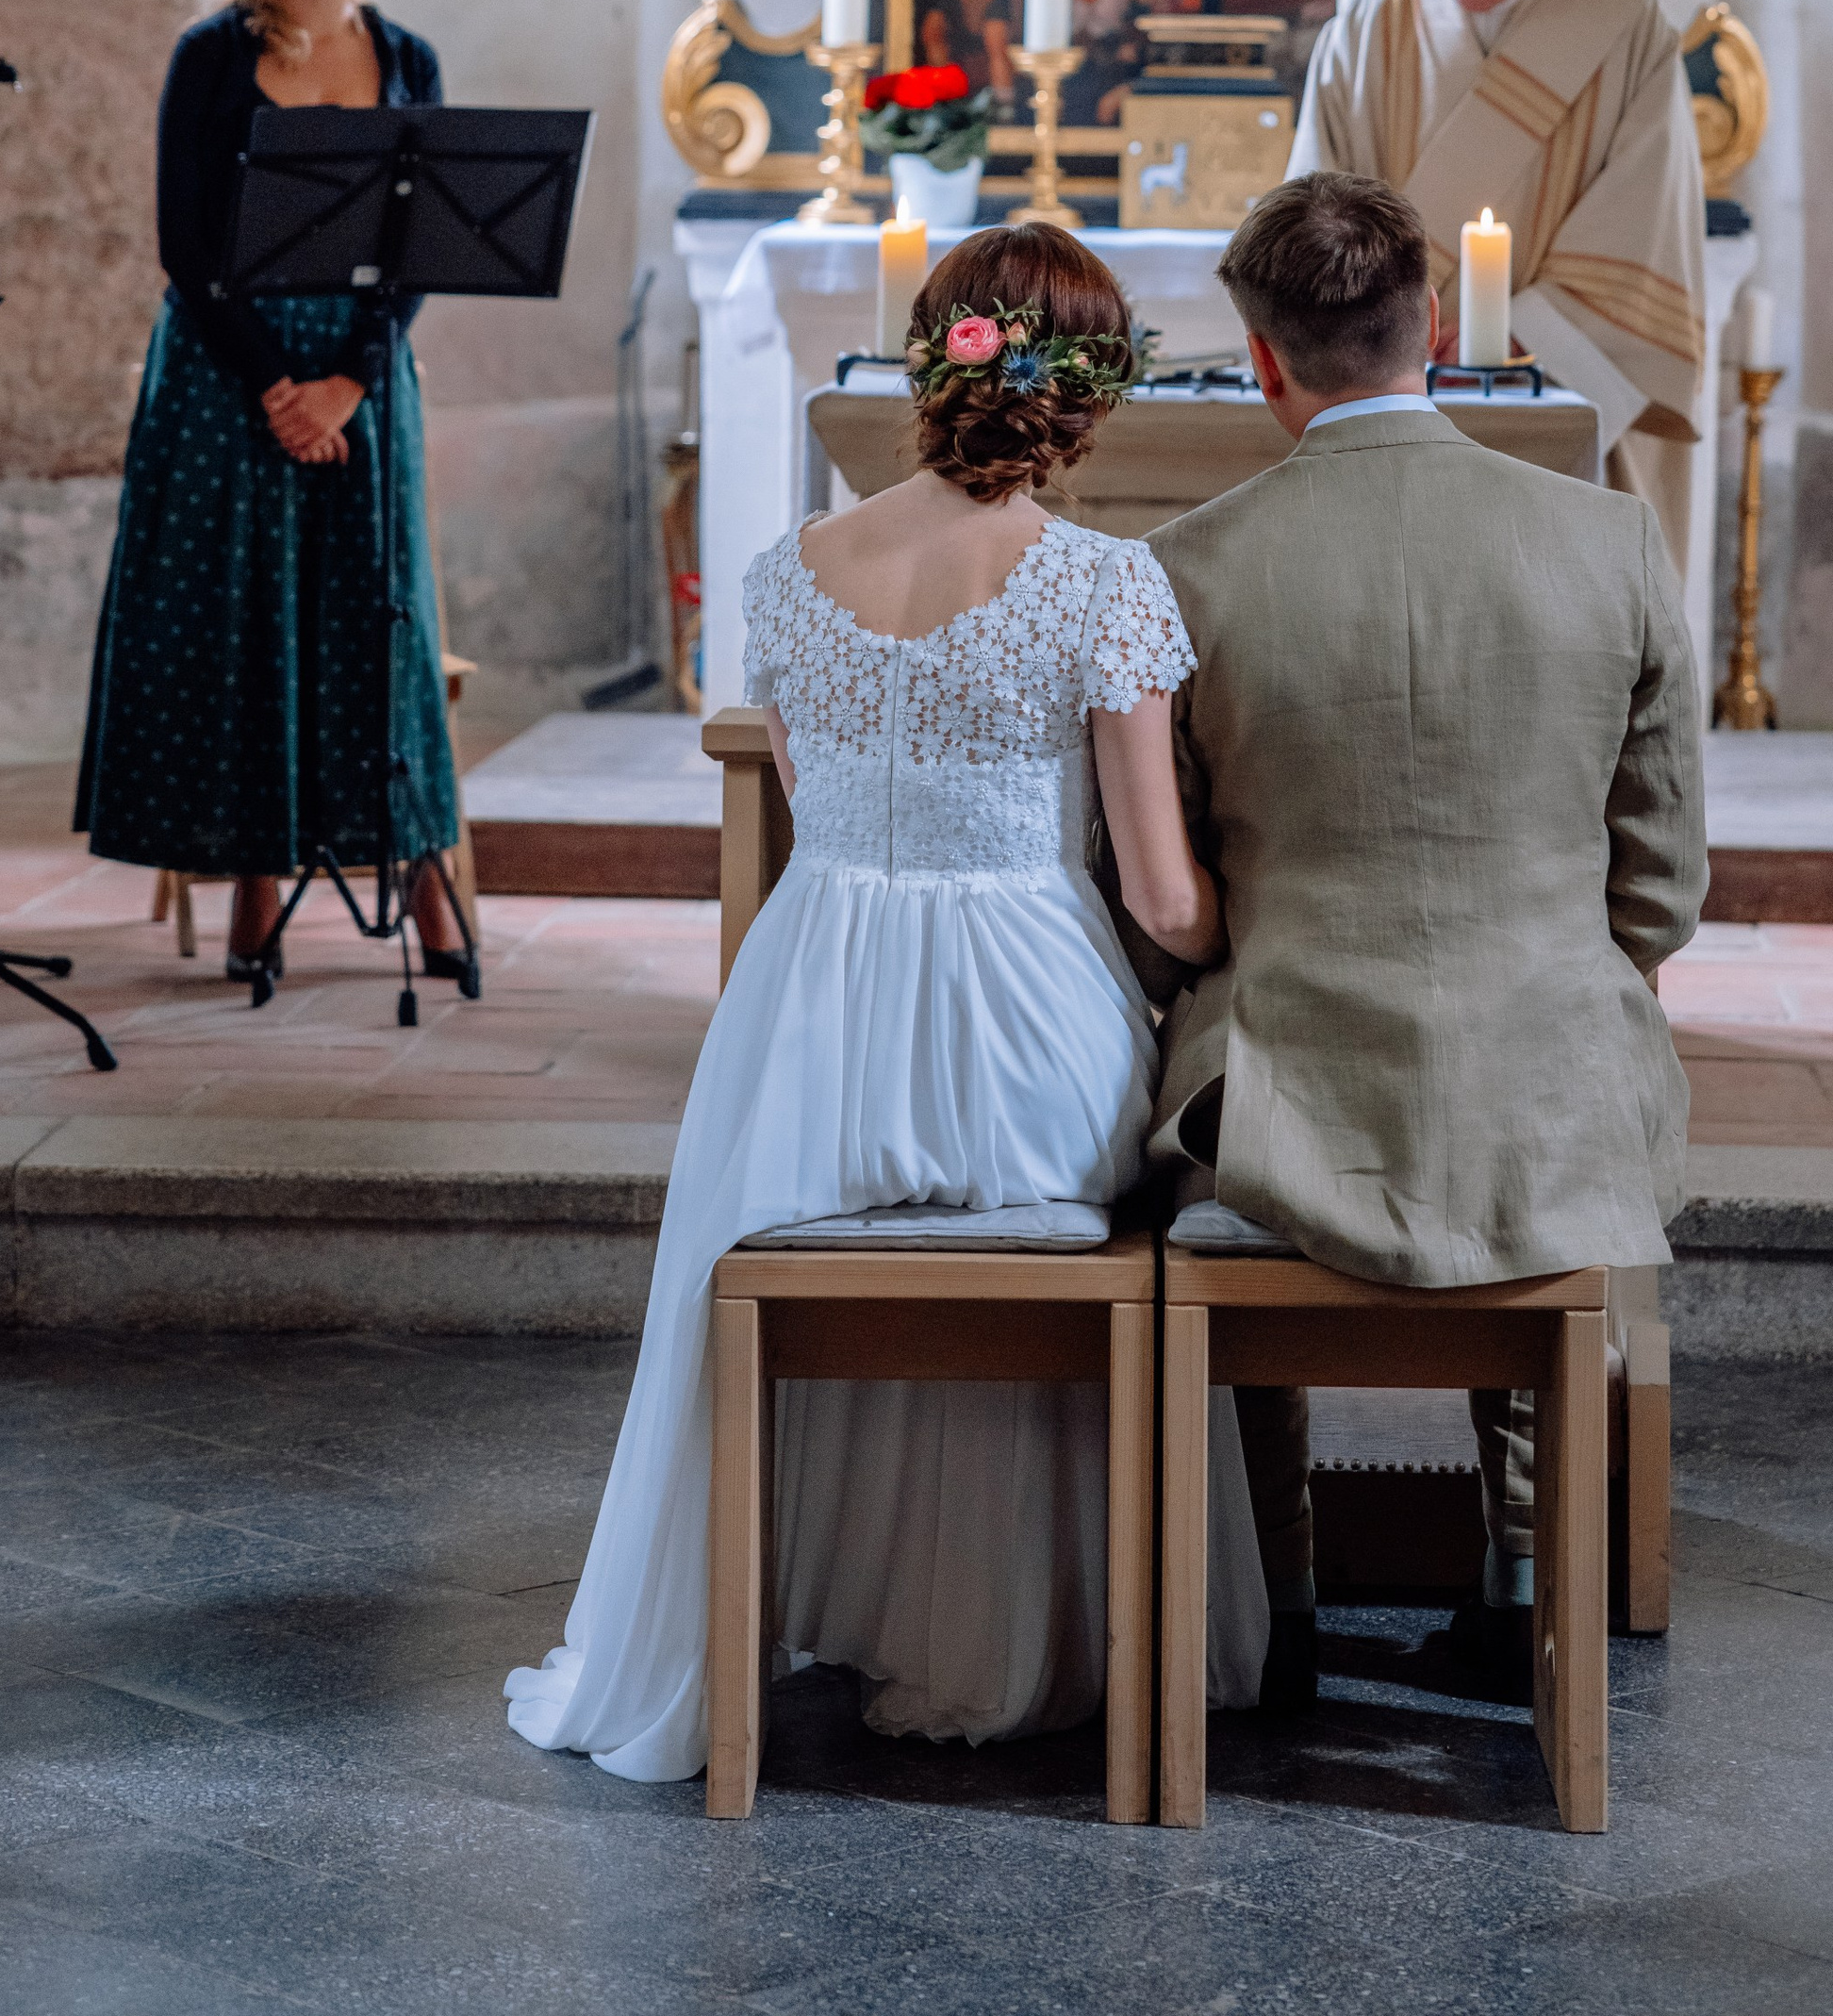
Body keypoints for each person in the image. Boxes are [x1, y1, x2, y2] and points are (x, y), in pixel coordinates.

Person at [507, 224, 1267, 1781]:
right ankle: (1002, 1628)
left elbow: (813, 802)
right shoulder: (1106, 584)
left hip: (804, 1019)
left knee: (805, 1218)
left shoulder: (789, 569)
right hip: (1027, 1020)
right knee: (1085, 1176)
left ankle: (809, 1604)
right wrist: (1250, 936)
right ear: (1090, 391)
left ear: (932, 363)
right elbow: (1158, 896)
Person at [1149, 173, 1707, 1698]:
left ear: (1262, 355)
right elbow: (1663, 883)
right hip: (1550, 1085)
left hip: (1287, 1097)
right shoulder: (1606, 541)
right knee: (1533, 1114)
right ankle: (1522, 1567)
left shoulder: (1188, 565)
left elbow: (1169, 896)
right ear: (1440, 326)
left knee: (1202, 1122)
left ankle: (1277, 1599)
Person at [74, 0, 463, 981]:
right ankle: (252, 879)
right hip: (225, 371)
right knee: (245, 623)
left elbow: (424, 245)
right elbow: (184, 246)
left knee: (381, 621)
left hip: (356, 373)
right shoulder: (211, 55)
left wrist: (349, 377)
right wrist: (277, 387)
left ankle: (425, 884)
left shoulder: (410, 62)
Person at [1288, 0, 1707, 570]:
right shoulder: (1368, 26)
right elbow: (1311, 208)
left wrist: (1516, 329)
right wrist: (1380, 333)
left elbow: (1646, 216)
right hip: (1387, 387)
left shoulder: (1627, 25)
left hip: (1550, 372)